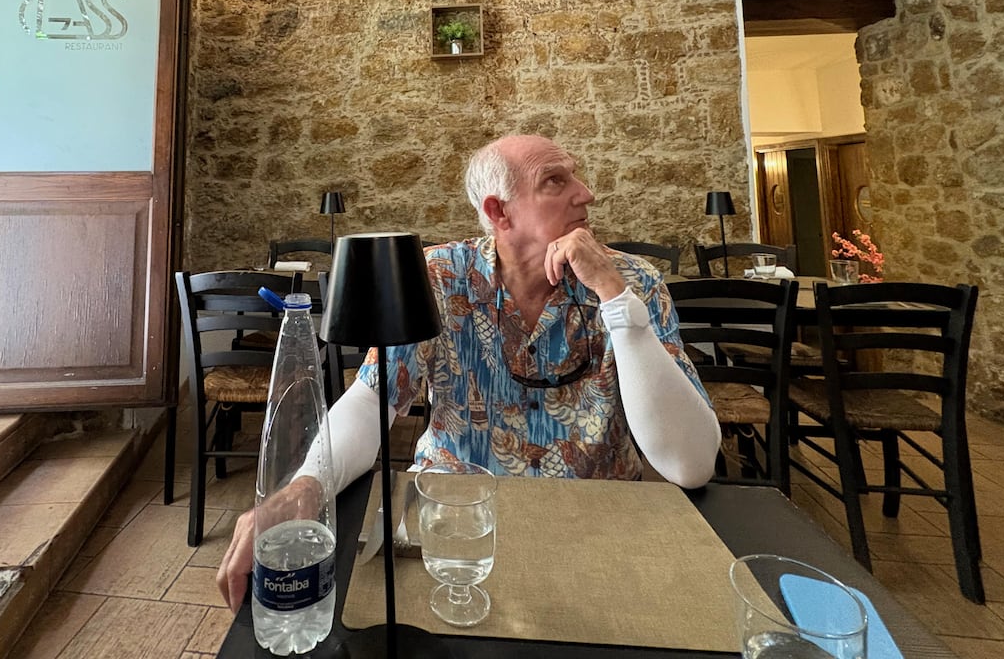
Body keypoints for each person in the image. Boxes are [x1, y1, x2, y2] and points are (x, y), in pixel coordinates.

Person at [216, 134, 721, 609]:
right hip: (452, 523)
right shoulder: (438, 277)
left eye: (575, 177)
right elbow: (373, 398)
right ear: (498, 212)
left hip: (595, 519)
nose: (585, 194)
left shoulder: (633, 283)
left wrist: (616, 301)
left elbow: (691, 464)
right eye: (555, 181)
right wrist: (307, 484)